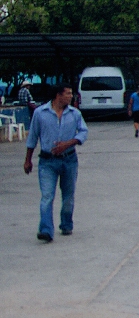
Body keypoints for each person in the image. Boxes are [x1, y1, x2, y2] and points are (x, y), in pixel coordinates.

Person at [24, 84, 88, 243]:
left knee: (68, 196)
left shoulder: (74, 114)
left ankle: (66, 223)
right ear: (58, 95)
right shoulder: (40, 113)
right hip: (47, 161)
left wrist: (68, 143)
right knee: (47, 195)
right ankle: (46, 229)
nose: (70, 96)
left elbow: (83, 132)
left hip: (69, 160)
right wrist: (28, 160)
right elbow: (32, 137)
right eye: (68, 93)